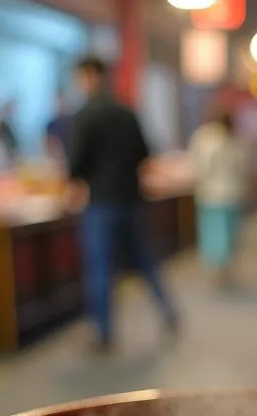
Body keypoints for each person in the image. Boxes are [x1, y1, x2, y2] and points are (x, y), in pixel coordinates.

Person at [69, 56, 179, 349]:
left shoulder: (84, 115)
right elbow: (144, 152)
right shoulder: (126, 112)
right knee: (144, 260)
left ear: (89, 76)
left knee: (100, 267)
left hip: (101, 201)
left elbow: (75, 164)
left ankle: (103, 332)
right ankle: (168, 310)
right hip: (131, 198)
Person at [189, 108, 251, 289]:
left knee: (213, 234)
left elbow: (199, 167)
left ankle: (217, 270)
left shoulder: (205, 138)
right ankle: (225, 269)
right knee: (228, 234)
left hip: (211, 194)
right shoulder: (235, 139)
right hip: (231, 193)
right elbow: (244, 166)